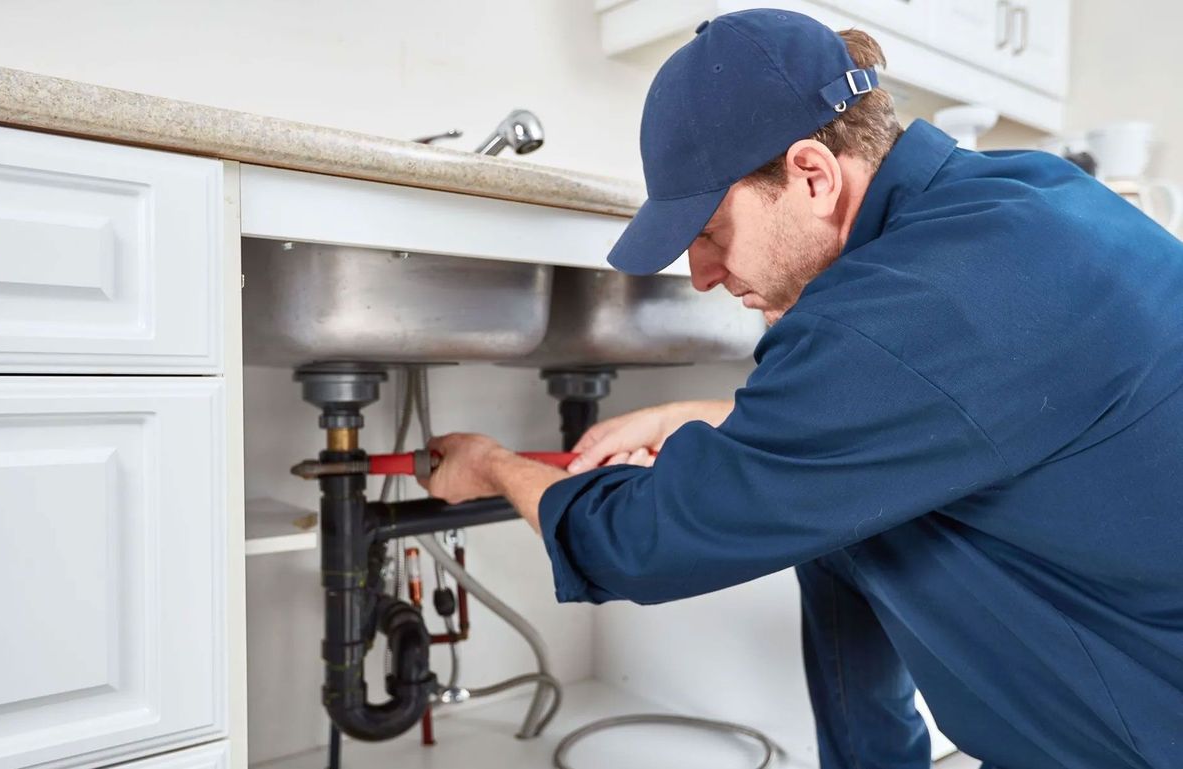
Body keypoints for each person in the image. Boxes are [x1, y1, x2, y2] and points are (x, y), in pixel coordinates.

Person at [419, 9, 1183, 769]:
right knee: (837, 513)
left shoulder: (902, 310)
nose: (705, 275)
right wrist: (713, 418)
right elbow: (943, 408)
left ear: (812, 175)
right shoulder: (1022, 195)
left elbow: (637, 545)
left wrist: (488, 464)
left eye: (710, 233)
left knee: (828, 510)